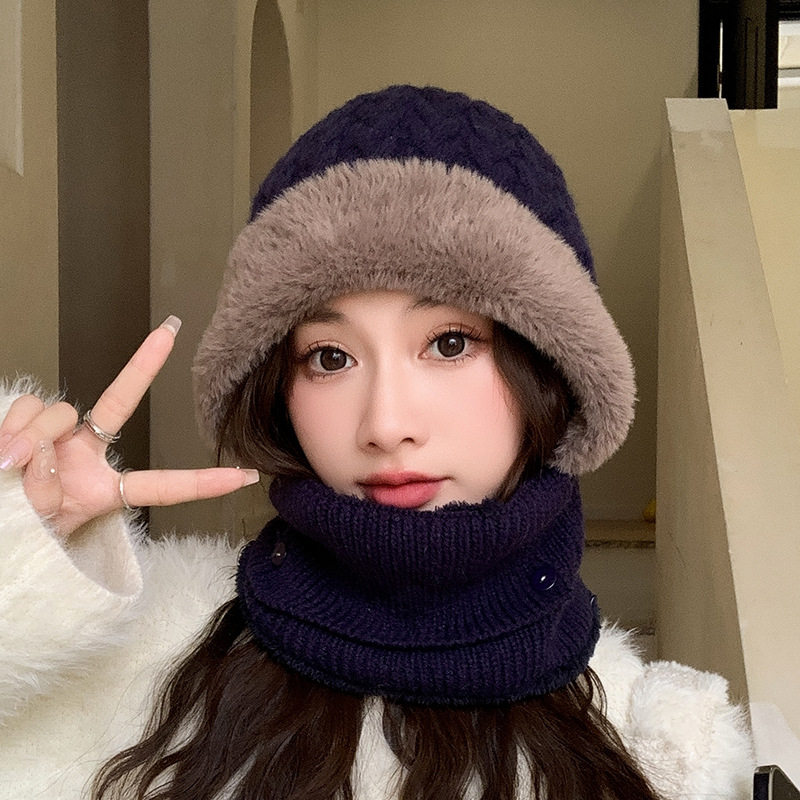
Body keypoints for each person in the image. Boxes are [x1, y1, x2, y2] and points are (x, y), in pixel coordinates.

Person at [0, 86, 753, 800]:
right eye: (330, 357)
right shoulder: (141, 652)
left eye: (450, 342)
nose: (386, 425)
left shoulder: (664, 742)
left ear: (549, 367)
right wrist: (18, 562)